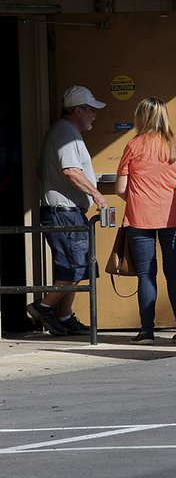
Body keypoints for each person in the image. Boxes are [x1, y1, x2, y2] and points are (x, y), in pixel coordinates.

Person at [115, 97, 176, 345]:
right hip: (173, 216)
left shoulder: (133, 146)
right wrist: (171, 198)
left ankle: (146, 331)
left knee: (146, 274)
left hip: (140, 217)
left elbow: (121, 188)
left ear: (141, 117)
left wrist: (141, 198)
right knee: (175, 273)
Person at [28, 86, 108, 336]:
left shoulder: (65, 132)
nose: (94, 115)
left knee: (78, 265)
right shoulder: (66, 133)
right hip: (63, 211)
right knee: (74, 265)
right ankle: (44, 306)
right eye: (91, 110)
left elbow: (43, 171)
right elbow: (71, 170)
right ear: (78, 110)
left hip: (66, 209)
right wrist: (96, 194)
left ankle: (64, 316)